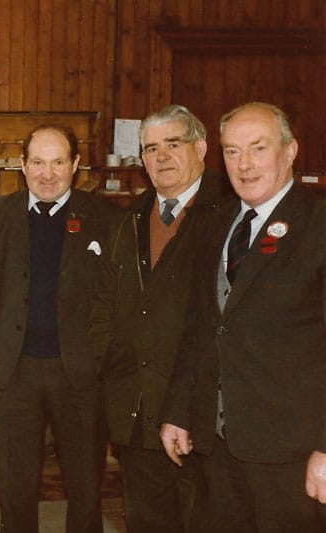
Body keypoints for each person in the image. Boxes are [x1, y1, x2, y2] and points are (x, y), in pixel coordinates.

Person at [159, 102, 326, 532]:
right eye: (232, 152)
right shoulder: (218, 225)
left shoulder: (318, 226)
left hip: (291, 455)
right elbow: (200, 329)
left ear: (290, 151)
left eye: (258, 148)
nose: (244, 164)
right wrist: (178, 410)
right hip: (217, 449)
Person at [90, 104, 229, 532]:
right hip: (136, 410)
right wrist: (109, 368)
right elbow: (104, 304)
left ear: (200, 148)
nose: (161, 156)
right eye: (151, 148)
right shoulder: (130, 218)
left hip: (202, 417)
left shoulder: (228, 213)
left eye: (173, 144)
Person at [0, 124, 110, 533]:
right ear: (22, 164)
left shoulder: (104, 218)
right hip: (14, 373)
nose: (48, 174)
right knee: (14, 487)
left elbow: (114, 299)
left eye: (58, 162)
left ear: (76, 164)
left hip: (80, 375)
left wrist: (97, 358)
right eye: (37, 162)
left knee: (86, 487)